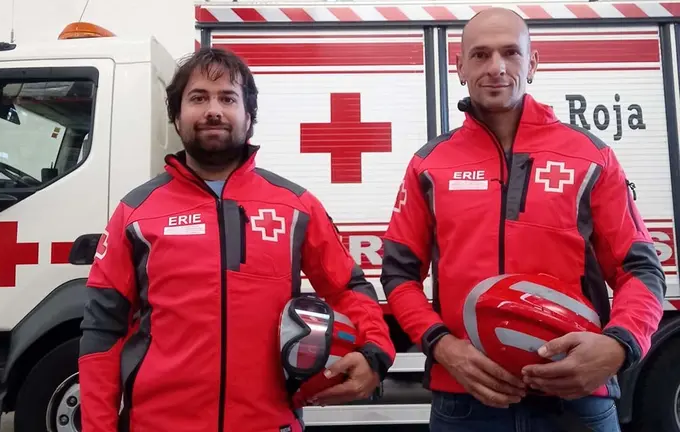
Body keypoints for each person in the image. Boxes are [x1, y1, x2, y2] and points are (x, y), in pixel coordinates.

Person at [77, 47, 396, 432]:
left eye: (228, 98)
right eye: (198, 98)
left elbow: (348, 287)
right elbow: (101, 331)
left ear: (250, 116)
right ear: (176, 116)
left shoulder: (295, 206)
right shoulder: (135, 212)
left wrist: (375, 353)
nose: (213, 110)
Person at [381, 7, 665, 432]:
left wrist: (619, 345)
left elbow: (640, 269)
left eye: (511, 53)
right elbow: (398, 276)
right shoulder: (429, 165)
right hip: (466, 400)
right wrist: (443, 347)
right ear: (458, 67)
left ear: (532, 63)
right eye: (479, 55)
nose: (496, 67)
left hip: (577, 400)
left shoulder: (591, 157)